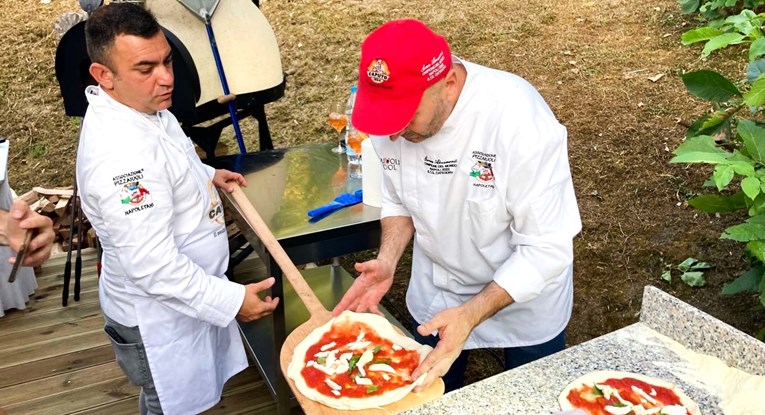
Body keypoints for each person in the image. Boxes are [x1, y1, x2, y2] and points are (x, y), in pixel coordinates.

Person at [333, 19, 582, 393]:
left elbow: (546, 248)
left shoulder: (519, 120)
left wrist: (470, 314)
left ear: (447, 84)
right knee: (430, 397)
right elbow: (399, 196)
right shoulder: (393, 124)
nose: (395, 133)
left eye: (405, 118)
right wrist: (387, 259)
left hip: (525, 300)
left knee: (533, 398)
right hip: (437, 291)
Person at [78, 4, 279, 414]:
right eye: (146, 68)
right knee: (168, 406)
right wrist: (231, 299)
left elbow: (170, 158)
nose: (167, 78)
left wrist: (205, 174)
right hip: (156, 317)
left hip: (182, 299)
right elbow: (152, 266)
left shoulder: (141, 107)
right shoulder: (120, 159)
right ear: (104, 76)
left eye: (167, 60)